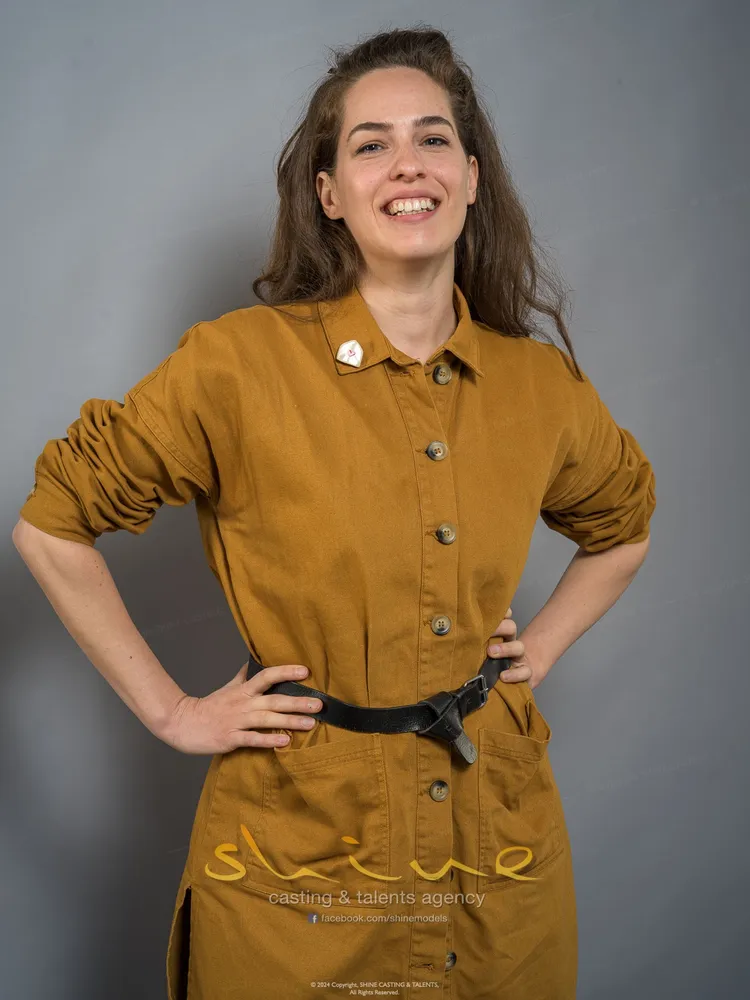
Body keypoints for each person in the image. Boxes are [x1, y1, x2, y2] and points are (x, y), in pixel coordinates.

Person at [13, 25, 655, 1000]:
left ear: (471, 177)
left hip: (496, 859)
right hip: (295, 869)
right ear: (329, 194)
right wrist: (173, 711)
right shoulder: (238, 366)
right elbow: (52, 523)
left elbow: (623, 526)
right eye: (371, 144)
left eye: (433, 138)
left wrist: (540, 649)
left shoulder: (539, 385)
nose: (408, 164)